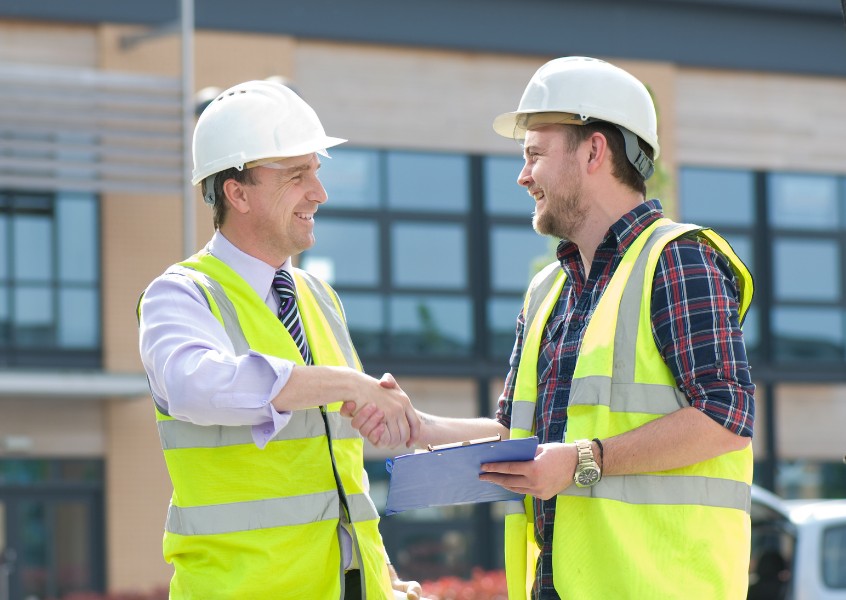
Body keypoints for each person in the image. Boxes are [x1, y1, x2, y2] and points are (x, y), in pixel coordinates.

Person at [357, 56, 755, 599]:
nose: (523, 176)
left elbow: (725, 415)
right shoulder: (548, 291)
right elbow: (517, 438)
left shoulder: (678, 260)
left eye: (535, 155)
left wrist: (583, 461)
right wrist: (420, 425)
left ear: (594, 151)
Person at [137, 79, 422, 600]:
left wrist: (375, 575)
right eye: (297, 175)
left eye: (317, 170)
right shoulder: (179, 296)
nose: (319, 191)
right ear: (236, 192)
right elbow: (195, 387)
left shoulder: (319, 297)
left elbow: (337, 469)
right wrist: (347, 383)